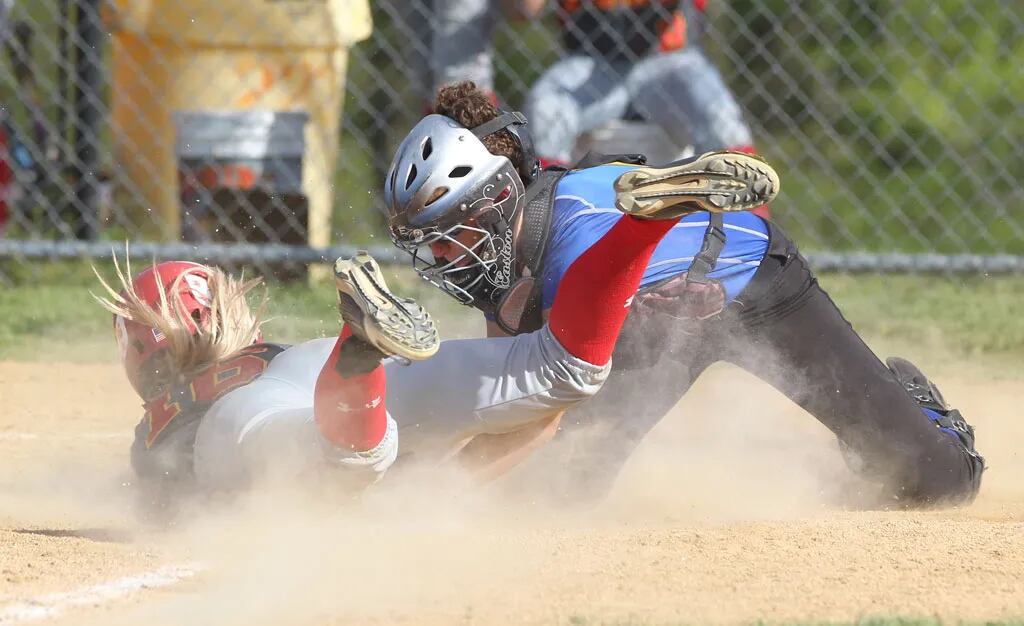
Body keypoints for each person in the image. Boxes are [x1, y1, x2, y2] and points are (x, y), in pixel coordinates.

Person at [381, 81, 985, 507]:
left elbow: (535, 419)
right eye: (431, 240)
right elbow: (511, 393)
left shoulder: (568, 242)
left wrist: (432, 495)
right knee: (556, 493)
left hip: (751, 281)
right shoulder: (501, 253)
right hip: (653, 324)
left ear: (496, 203)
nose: (438, 255)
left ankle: (917, 411)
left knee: (932, 483)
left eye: (448, 235)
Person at [92, 162, 734, 513]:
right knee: (562, 370)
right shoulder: (273, 353)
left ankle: (361, 349)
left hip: (272, 411)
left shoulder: (174, 418)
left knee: (337, 464)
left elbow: (162, 504)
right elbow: (538, 420)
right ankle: (642, 227)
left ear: (146, 351)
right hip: (315, 370)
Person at [519, 0, 769, 217]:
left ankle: (750, 231)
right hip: (590, 61)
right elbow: (525, 10)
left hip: (669, 61)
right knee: (545, 107)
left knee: (717, 112)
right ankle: (542, 224)